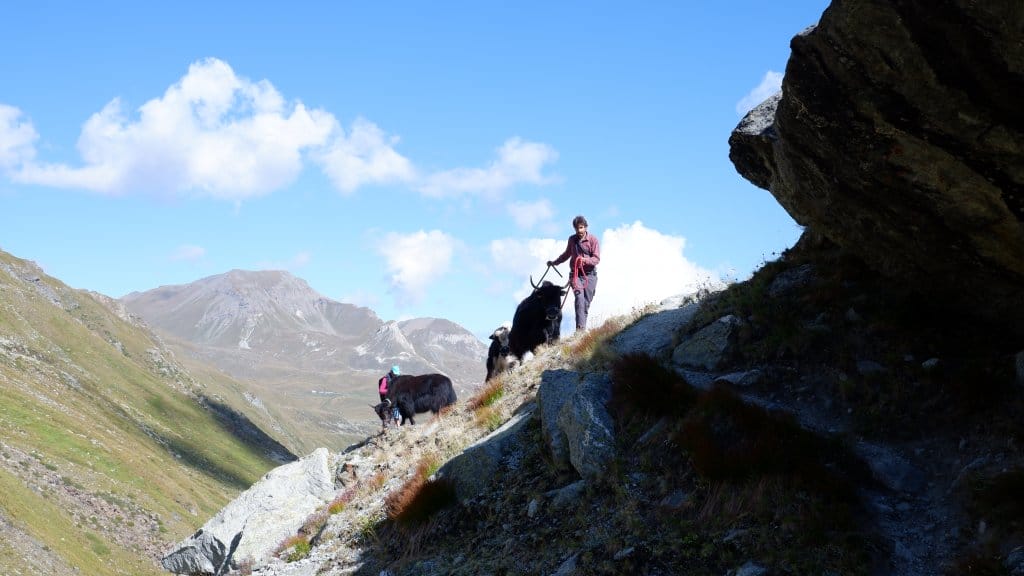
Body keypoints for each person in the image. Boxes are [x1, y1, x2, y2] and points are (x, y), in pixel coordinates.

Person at [548, 215, 601, 332]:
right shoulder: (572, 240)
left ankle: (582, 331)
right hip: (575, 275)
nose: (579, 231)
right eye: (577, 228)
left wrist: (585, 260)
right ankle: (580, 330)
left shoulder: (593, 240)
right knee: (579, 299)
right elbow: (567, 254)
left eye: (581, 228)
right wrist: (555, 263)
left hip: (590, 275)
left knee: (586, 304)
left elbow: (596, 259)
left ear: (586, 227)